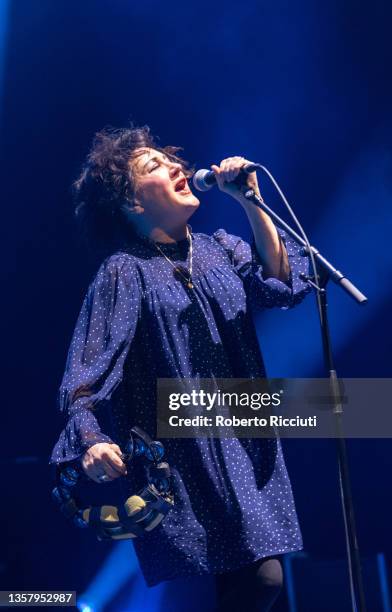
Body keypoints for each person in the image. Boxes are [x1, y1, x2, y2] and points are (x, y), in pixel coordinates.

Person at [50, 125, 311, 611]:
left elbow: (281, 284)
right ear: (133, 205)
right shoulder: (124, 271)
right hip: (182, 460)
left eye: (173, 162)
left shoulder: (221, 249)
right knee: (234, 585)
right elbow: (83, 374)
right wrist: (91, 438)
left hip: (244, 444)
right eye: (154, 166)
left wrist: (251, 201)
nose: (177, 167)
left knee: (263, 578)